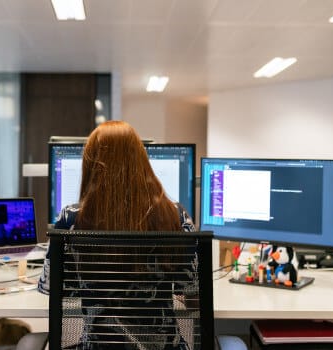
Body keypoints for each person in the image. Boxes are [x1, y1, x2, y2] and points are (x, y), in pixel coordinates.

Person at [38, 121, 247, 350]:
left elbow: (53, 288)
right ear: (141, 162)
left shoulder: (70, 219)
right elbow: (192, 294)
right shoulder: (175, 215)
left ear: (90, 166)